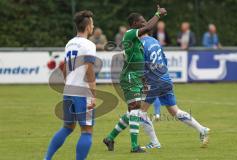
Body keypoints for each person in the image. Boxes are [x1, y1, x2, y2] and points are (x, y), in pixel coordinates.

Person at [103, 5, 167, 153]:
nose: (145, 24)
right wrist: (157, 14)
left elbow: (138, 62)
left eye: (145, 21)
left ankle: (110, 138)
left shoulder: (137, 41)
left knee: (132, 111)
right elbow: (150, 26)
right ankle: (134, 146)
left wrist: (144, 79)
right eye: (142, 22)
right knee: (135, 110)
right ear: (133, 24)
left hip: (136, 77)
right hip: (129, 78)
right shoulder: (130, 34)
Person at [141, 34, 210, 148]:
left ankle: (154, 143)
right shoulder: (155, 41)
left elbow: (142, 66)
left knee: (140, 112)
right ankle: (202, 129)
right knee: (174, 111)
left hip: (154, 81)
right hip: (165, 78)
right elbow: (164, 59)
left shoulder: (141, 44)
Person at [44, 10, 96, 160]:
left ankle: (46, 158)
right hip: (82, 93)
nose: (93, 27)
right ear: (87, 27)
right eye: (92, 24)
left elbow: (65, 68)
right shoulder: (89, 45)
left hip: (69, 90)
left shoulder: (70, 43)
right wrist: (92, 94)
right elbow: (89, 71)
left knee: (67, 127)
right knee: (86, 131)